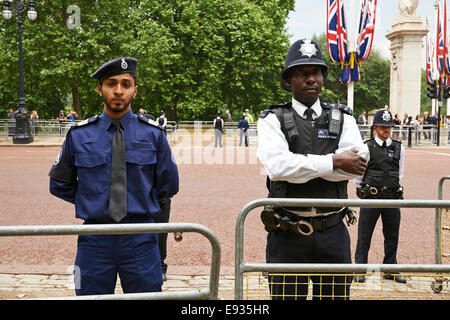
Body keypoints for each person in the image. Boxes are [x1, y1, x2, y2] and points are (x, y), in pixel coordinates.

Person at [48, 57, 179, 296]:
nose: (118, 90)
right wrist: (93, 199)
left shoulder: (154, 135)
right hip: (94, 237)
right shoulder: (79, 135)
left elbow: (168, 185)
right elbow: (58, 183)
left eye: (125, 84)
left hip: (140, 236)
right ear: (100, 88)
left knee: (147, 297)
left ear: (135, 91)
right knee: (89, 296)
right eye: (111, 83)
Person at [257, 38, 368, 300]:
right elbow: (278, 167)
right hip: (287, 232)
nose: (311, 79)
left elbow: (357, 166)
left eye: (316, 72)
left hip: (333, 230)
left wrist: (302, 163)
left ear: (323, 77)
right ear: (288, 80)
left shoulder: (344, 117)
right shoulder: (273, 119)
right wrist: (334, 161)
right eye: (302, 73)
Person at [354, 109, 406, 284]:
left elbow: (399, 174)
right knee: (364, 235)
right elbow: (358, 176)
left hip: (391, 197)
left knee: (392, 235)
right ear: (375, 127)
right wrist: (365, 190)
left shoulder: (399, 148)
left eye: (389, 127)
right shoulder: (366, 147)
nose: (386, 130)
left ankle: (390, 269)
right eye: (383, 127)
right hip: (371, 197)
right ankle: (360, 269)